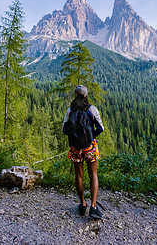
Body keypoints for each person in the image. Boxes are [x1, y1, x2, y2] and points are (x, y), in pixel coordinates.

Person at [62, 85, 104, 219]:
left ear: (75, 95)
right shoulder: (91, 109)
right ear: (86, 95)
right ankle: (93, 207)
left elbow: (64, 129)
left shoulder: (70, 111)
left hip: (75, 148)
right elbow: (100, 127)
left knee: (79, 176)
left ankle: (82, 204)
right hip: (89, 146)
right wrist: (92, 136)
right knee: (93, 175)